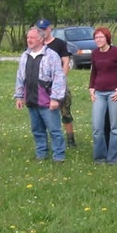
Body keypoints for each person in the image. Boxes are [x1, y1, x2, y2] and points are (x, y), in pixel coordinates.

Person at [14, 27, 67, 162]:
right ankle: (41, 154)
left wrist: (55, 98)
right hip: (31, 99)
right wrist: (19, 96)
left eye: (32, 37)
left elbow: (59, 77)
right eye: (28, 38)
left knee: (54, 130)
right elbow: (20, 77)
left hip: (47, 100)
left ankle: (59, 156)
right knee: (37, 130)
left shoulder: (52, 56)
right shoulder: (25, 56)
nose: (29, 40)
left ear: (41, 39)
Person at [89, 27, 117, 165]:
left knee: (115, 127)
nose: (98, 40)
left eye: (101, 37)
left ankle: (114, 158)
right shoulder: (95, 53)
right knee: (97, 127)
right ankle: (100, 158)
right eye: (96, 38)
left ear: (107, 38)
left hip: (114, 93)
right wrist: (91, 87)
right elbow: (94, 72)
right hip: (99, 93)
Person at [38, 19, 76, 148]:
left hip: (58, 83)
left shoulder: (59, 44)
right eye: (40, 29)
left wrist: (61, 80)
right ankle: (48, 139)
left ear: (50, 29)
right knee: (45, 112)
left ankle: (70, 138)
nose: (42, 31)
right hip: (43, 84)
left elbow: (65, 62)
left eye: (44, 28)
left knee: (65, 111)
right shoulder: (39, 44)